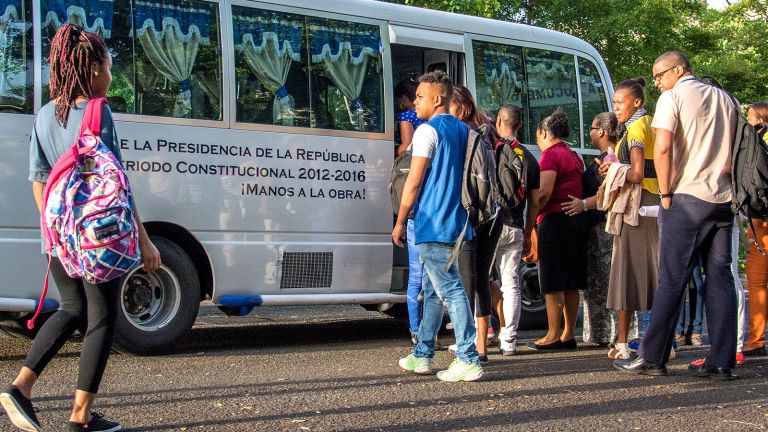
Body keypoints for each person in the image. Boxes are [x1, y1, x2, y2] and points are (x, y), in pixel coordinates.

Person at [0, 24, 161, 432]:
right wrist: (143, 239)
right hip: (98, 238)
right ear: (92, 68)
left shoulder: (44, 114)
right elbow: (115, 183)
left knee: (72, 308)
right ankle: (79, 419)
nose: (111, 73)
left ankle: (21, 387)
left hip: (59, 238)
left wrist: (57, 236)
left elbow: (38, 180)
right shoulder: (97, 111)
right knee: (102, 318)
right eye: (108, 65)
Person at [614, 51, 739, 379]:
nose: (656, 82)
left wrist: (666, 193)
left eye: (660, 75)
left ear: (679, 70)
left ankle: (652, 357)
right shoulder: (726, 99)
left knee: (672, 277)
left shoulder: (674, 98)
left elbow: (664, 147)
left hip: (687, 197)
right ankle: (722, 360)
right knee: (720, 278)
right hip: (723, 199)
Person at [394, 71, 483, 382]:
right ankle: (422, 354)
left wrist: (401, 219)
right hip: (458, 217)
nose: (415, 101)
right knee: (432, 290)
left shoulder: (426, 132)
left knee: (449, 289)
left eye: (420, 96)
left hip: (432, 218)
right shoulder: (463, 129)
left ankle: (468, 357)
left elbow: (414, 181)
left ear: (436, 98)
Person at [598, 78, 660, 360]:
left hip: (639, 206)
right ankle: (655, 341)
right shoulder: (650, 123)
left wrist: (612, 170)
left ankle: (625, 342)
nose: (616, 108)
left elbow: (636, 173)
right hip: (652, 204)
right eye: (614, 103)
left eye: (620, 102)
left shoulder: (636, 129)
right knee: (650, 274)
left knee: (628, 273)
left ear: (636, 102)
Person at [563, 112, 628, 346]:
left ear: (601, 131)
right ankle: (602, 332)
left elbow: (610, 193)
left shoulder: (613, 159)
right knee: (598, 281)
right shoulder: (607, 158)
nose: (589, 133)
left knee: (608, 280)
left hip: (606, 229)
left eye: (591, 128)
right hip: (596, 228)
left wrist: (583, 204)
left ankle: (615, 333)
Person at [449, 85, 501, 362]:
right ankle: (479, 345)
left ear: (462, 107)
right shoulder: (488, 130)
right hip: (492, 213)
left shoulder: (462, 134)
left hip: (471, 212)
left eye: (450, 105)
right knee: (481, 278)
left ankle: (466, 347)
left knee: (466, 279)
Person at [530, 108, 588, 350]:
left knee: (553, 280)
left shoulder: (551, 156)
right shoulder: (574, 155)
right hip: (575, 220)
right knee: (571, 281)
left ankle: (552, 334)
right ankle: (567, 333)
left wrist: (531, 220)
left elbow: (544, 193)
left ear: (544, 132)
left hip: (555, 220)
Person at [492, 104, 540, 355]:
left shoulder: (492, 150)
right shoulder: (529, 158)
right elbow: (535, 202)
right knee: (511, 283)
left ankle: (484, 330)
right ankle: (508, 339)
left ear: (499, 120)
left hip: (491, 224)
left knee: (482, 279)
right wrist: (529, 232)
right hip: (515, 225)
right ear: (520, 125)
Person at [393, 75, 427, 345]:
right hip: (434, 209)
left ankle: (416, 330)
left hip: (415, 210)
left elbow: (407, 147)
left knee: (416, 274)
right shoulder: (440, 122)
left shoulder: (408, 116)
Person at [744, 101, 768, 357]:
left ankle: (756, 340)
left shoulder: (756, 145)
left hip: (761, 221)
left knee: (758, 283)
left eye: (749, 118)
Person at [394, 74, 426, 156]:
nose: (397, 103)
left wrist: (390, 155)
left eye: (397, 99)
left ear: (403, 97)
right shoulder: (425, 114)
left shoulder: (406, 116)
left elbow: (407, 145)